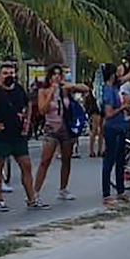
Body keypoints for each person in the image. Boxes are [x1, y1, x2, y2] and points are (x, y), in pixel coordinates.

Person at [0, 62, 45, 212]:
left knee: (26, 165)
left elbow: (29, 105)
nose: (9, 76)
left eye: (11, 73)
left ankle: (31, 199)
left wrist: (26, 121)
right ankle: (0, 200)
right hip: (0, 136)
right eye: (5, 73)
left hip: (18, 135)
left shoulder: (19, 89)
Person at [34, 65, 87, 201]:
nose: (56, 77)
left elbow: (85, 89)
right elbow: (42, 110)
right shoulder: (44, 91)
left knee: (66, 159)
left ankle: (63, 189)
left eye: (59, 74)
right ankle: (35, 191)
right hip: (51, 128)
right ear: (49, 76)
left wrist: (69, 86)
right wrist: (51, 92)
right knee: (45, 160)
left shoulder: (65, 90)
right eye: (54, 74)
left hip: (66, 128)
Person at [99, 63, 130, 206]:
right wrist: (123, 107)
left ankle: (120, 190)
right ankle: (106, 194)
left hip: (120, 127)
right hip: (112, 128)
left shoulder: (115, 87)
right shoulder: (108, 91)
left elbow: (129, 76)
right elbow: (109, 113)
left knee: (120, 160)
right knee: (109, 161)